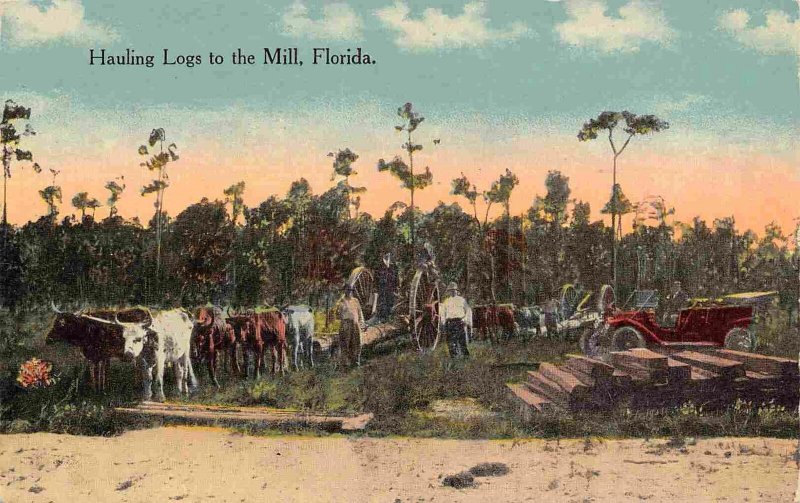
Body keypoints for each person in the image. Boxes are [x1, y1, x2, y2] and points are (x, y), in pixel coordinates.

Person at [438, 282, 471, 358]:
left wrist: (465, 319)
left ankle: (465, 356)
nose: (453, 291)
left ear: (457, 291)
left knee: (462, 340)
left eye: (454, 290)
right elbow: (443, 313)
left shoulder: (462, 300)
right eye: (451, 290)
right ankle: (454, 357)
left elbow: (468, 310)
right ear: (449, 291)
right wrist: (443, 322)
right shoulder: (446, 301)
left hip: (459, 321)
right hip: (450, 322)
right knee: (451, 341)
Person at [338, 284, 365, 367]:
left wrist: (362, 322)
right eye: (347, 290)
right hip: (346, 324)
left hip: (355, 324)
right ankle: (345, 363)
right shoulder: (341, 302)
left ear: (352, 291)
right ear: (344, 291)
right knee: (345, 343)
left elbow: (359, 312)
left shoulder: (355, 301)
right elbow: (338, 315)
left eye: (350, 290)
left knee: (357, 343)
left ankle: (356, 361)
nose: (349, 292)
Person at [374, 252, 398, 323]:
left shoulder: (393, 268)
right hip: (382, 288)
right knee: (382, 302)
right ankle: (380, 317)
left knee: (389, 302)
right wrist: (376, 286)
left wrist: (396, 288)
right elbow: (376, 278)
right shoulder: (379, 268)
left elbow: (396, 279)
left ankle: (387, 318)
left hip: (390, 288)